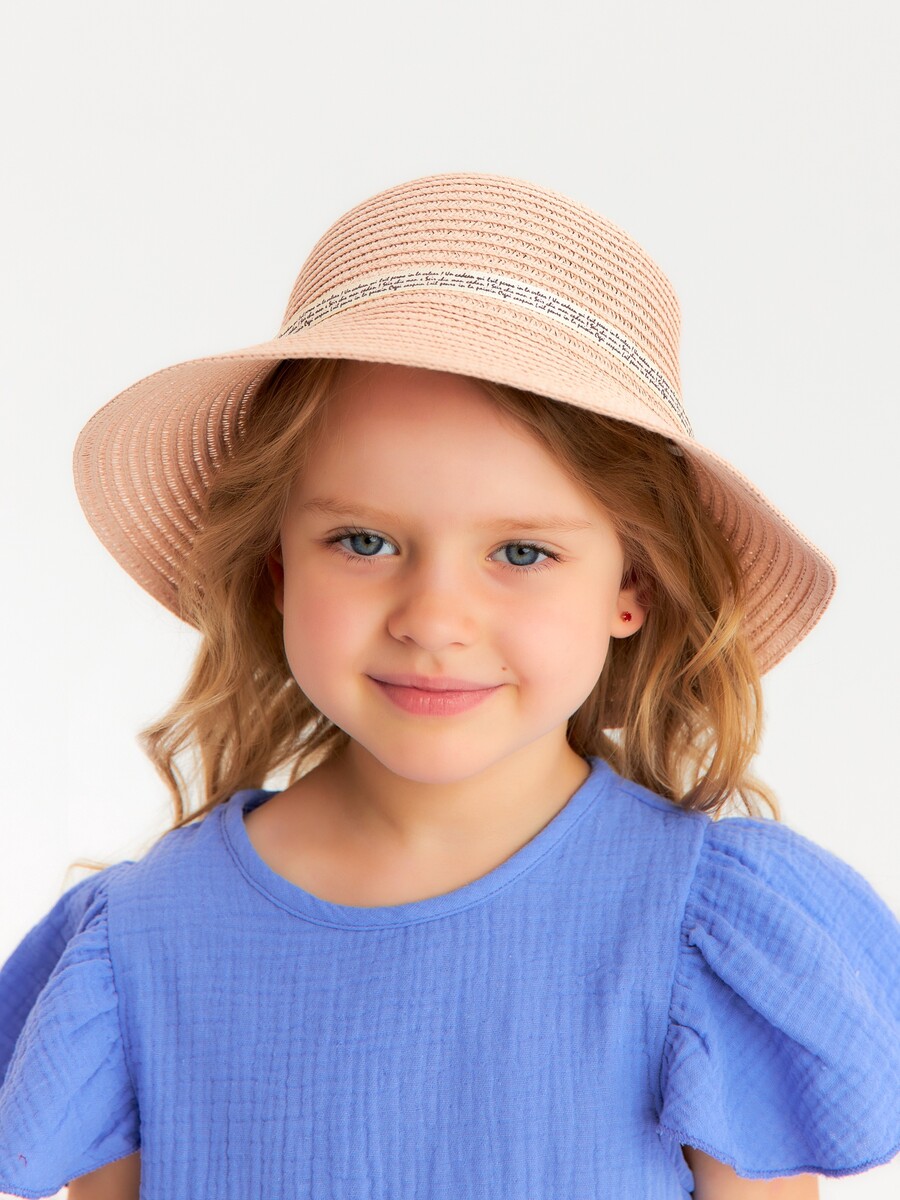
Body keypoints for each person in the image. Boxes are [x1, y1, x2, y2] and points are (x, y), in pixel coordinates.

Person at [0, 172, 897, 1200]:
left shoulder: (706, 933)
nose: (432, 620)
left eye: (521, 552)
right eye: (363, 541)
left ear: (634, 586)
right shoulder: (140, 946)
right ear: (278, 566)